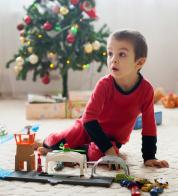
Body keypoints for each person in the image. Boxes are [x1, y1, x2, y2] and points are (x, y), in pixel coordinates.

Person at [37, 30, 169, 168]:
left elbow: (149, 126)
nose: (113, 59)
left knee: (99, 157)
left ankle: (80, 151)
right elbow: (88, 119)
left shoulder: (146, 90)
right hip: (87, 128)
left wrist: (149, 157)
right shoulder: (104, 85)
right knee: (56, 142)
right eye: (110, 53)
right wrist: (109, 151)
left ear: (139, 62)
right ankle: (45, 143)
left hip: (113, 139)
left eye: (122, 54)